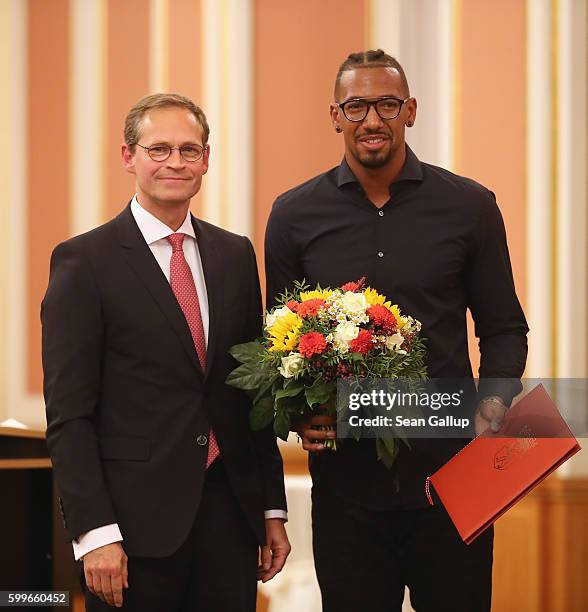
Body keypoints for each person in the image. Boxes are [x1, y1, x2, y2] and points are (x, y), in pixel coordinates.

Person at [264, 50, 528, 612]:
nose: (372, 120)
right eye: (356, 106)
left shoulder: (471, 206)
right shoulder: (293, 215)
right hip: (346, 492)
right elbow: (276, 348)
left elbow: (505, 328)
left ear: (411, 110)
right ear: (335, 115)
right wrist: (299, 416)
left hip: (455, 481)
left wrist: (497, 401)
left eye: (387, 104)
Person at [42, 93, 290, 611]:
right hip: (131, 533)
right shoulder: (83, 262)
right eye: (158, 149)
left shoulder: (234, 255)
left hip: (230, 517)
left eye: (189, 150)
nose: (175, 162)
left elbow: (253, 393)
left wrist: (272, 509)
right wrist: (95, 533)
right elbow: (70, 416)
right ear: (128, 156)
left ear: (206, 159)